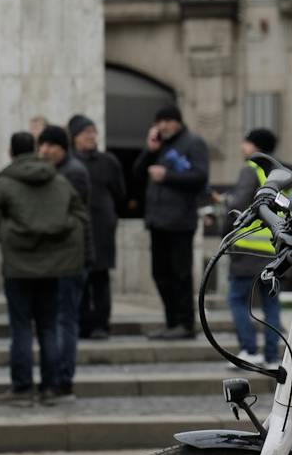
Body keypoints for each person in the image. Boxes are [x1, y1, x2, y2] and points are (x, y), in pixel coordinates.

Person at [0, 130, 88, 406]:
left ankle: (21, 389)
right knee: (49, 328)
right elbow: (79, 215)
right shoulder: (59, 181)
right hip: (53, 267)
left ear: (10, 152)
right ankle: (51, 388)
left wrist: (8, 235)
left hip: (18, 267)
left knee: (21, 329)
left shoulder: (4, 182)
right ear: (37, 149)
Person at [132, 103, 209, 340]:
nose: (162, 126)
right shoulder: (160, 146)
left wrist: (168, 176)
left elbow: (200, 176)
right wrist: (149, 150)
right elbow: (137, 171)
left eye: (166, 121)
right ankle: (171, 321)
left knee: (180, 274)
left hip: (179, 221)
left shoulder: (193, 143)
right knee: (160, 274)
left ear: (177, 121)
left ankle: (185, 324)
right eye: (159, 122)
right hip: (158, 221)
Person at [37, 124, 90, 401]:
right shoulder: (56, 172)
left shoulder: (73, 174)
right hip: (56, 259)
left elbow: (69, 218)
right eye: (41, 145)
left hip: (71, 260)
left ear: (62, 148)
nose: (44, 150)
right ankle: (55, 376)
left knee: (65, 320)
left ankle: (63, 378)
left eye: (50, 146)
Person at [223, 128, 283, 367]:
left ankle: (249, 349)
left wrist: (225, 229)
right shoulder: (280, 174)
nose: (242, 147)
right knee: (271, 304)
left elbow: (237, 204)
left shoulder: (252, 169)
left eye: (245, 142)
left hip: (247, 251)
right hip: (273, 250)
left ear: (254, 146)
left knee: (236, 299)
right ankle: (271, 356)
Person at [70, 115, 126, 340]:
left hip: (102, 225)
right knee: (79, 278)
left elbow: (120, 193)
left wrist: (111, 216)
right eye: (86, 132)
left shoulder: (107, 161)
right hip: (77, 227)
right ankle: (82, 323)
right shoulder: (70, 163)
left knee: (100, 278)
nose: (91, 136)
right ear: (75, 137)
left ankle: (101, 324)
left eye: (93, 131)